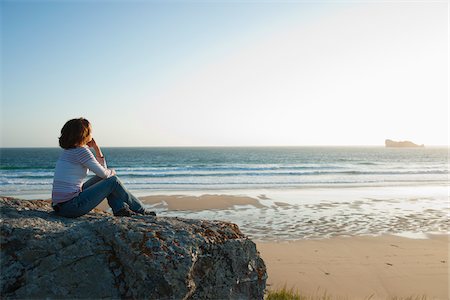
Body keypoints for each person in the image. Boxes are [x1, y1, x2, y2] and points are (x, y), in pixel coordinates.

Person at [51, 117, 155, 218]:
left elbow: (102, 174)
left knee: (107, 180)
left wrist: (96, 149)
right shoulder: (81, 151)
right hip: (71, 207)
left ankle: (120, 209)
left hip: (61, 206)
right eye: (90, 132)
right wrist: (112, 172)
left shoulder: (68, 152)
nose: (92, 134)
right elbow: (105, 174)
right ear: (84, 134)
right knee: (113, 181)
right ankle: (141, 211)